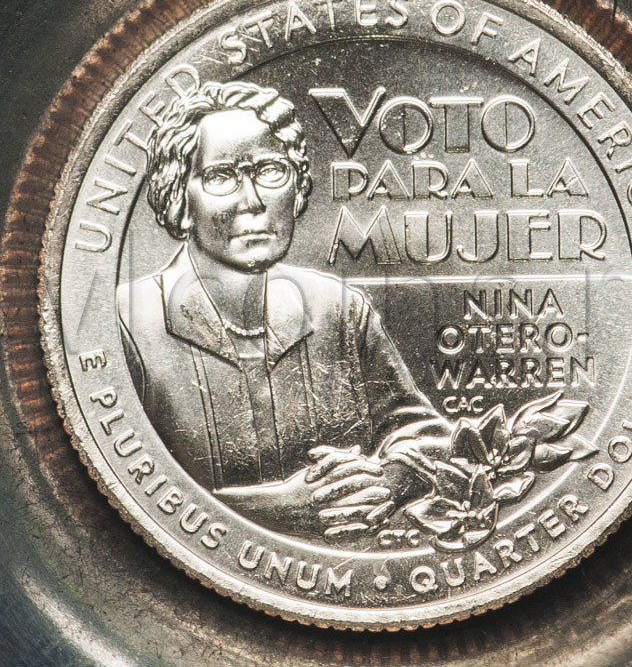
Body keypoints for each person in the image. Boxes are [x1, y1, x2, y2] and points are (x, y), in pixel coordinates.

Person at [117, 81, 444, 540]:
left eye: (270, 170)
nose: (252, 201)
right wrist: (274, 511)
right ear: (179, 198)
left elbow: (425, 434)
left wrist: (386, 482)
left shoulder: (339, 308)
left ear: (297, 187)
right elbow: (125, 488)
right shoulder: (127, 323)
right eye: (221, 177)